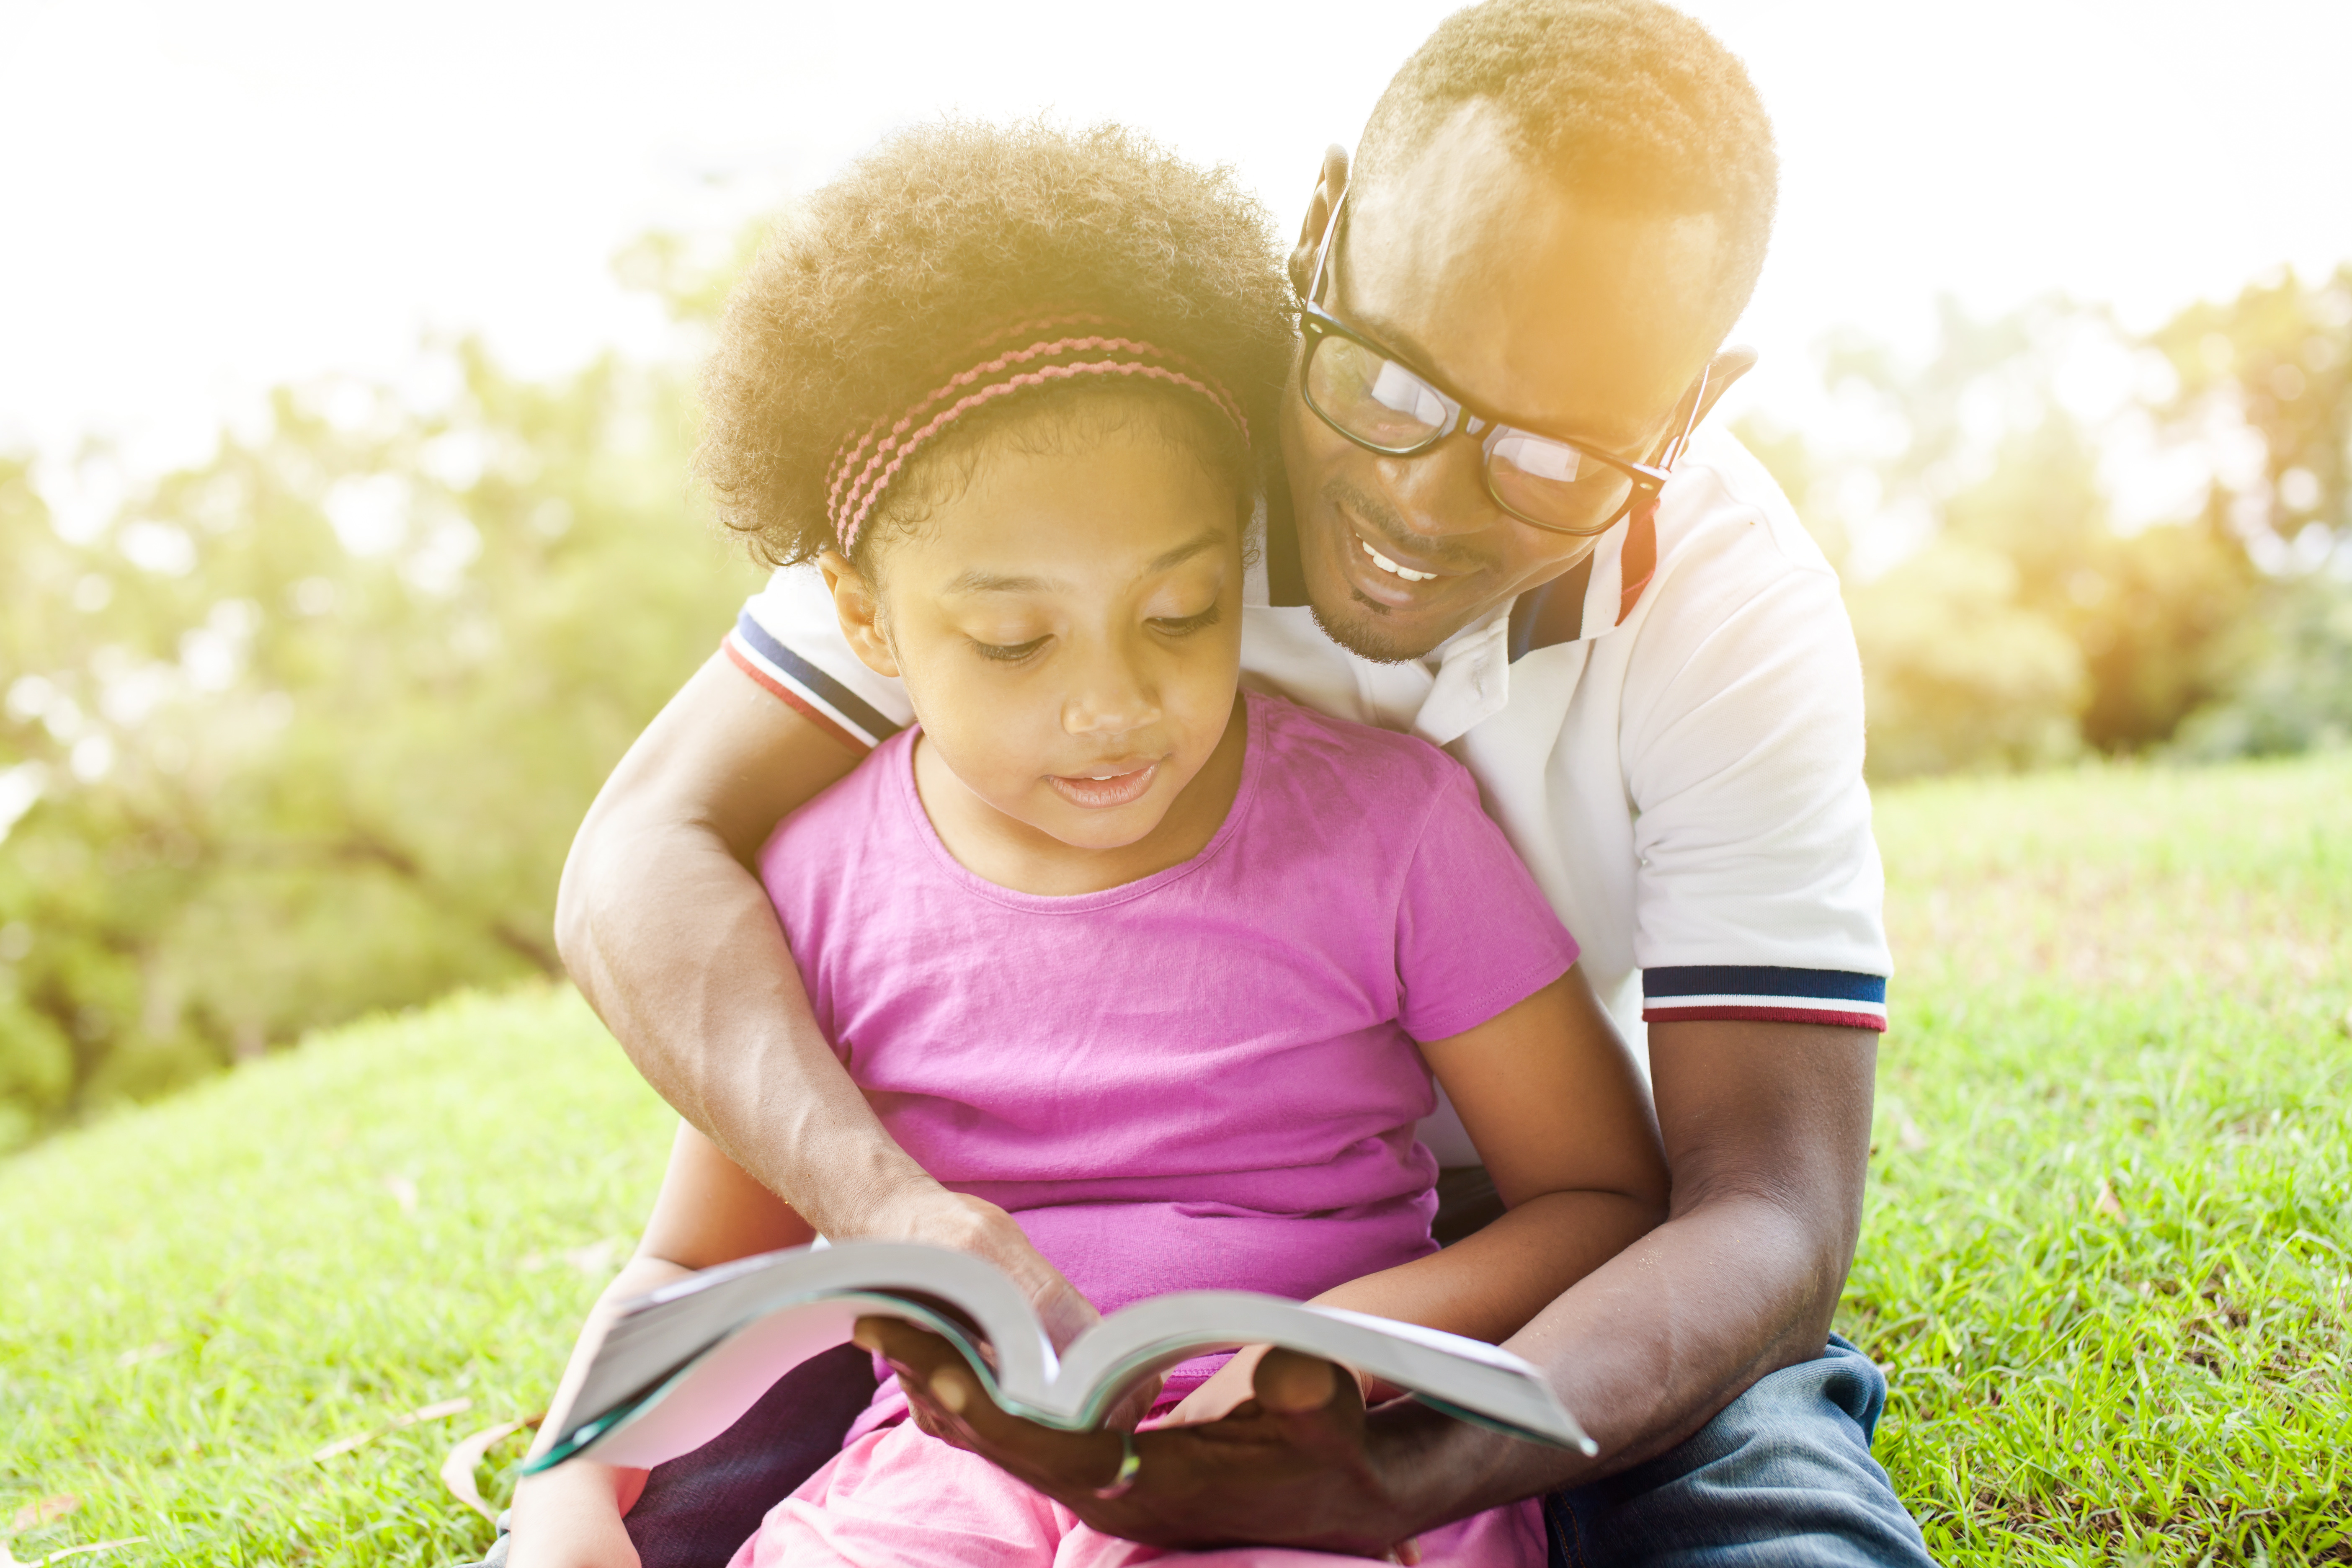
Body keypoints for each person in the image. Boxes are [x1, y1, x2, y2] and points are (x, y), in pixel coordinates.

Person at [552, 0, 1936, 1561]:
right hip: (1011, 1270)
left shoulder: (1735, 618)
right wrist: (881, 1209)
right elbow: (641, 853)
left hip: (1541, 1268)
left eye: (1551, 454)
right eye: (1394, 386)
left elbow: (1763, 1211)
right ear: (1328, 228)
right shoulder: (1081, 440)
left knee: (1767, 1521)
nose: (1419, 499)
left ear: (1694, 401)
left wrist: (1429, 1448)